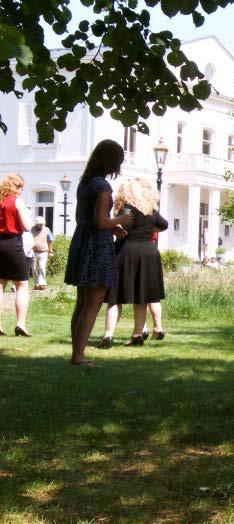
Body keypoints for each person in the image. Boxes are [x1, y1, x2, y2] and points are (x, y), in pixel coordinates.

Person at [64, 140, 132, 366]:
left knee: (82, 302)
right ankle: (78, 357)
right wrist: (120, 220)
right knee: (93, 303)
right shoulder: (102, 186)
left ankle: (77, 353)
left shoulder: (85, 183)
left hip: (82, 241)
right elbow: (100, 221)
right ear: (111, 162)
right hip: (97, 247)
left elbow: (84, 218)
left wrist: (112, 226)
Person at [100, 178, 168, 348]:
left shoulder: (126, 209)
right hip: (148, 252)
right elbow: (164, 225)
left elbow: (120, 229)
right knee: (142, 297)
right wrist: (149, 230)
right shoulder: (151, 211)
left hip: (125, 251)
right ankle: (137, 334)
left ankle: (108, 335)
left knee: (114, 298)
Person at [0, 173, 34, 337]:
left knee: (0, 284)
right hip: (13, 243)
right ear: (15, 187)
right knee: (21, 285)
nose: (21, 191)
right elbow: (27, 226)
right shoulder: (17, 202)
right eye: (20, 188)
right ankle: (20, 323)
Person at [31, 215, 53, 290]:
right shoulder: (31, 229)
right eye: (40, 224)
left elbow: (50, 241)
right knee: (34, 268)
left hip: (43, 251)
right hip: (33, 252)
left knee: (41, 267)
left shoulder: (47, 229)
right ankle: (36, 284)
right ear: (36, 224)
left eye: (42, 224)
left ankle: (42, 283)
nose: (41, 225)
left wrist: (50, 251)